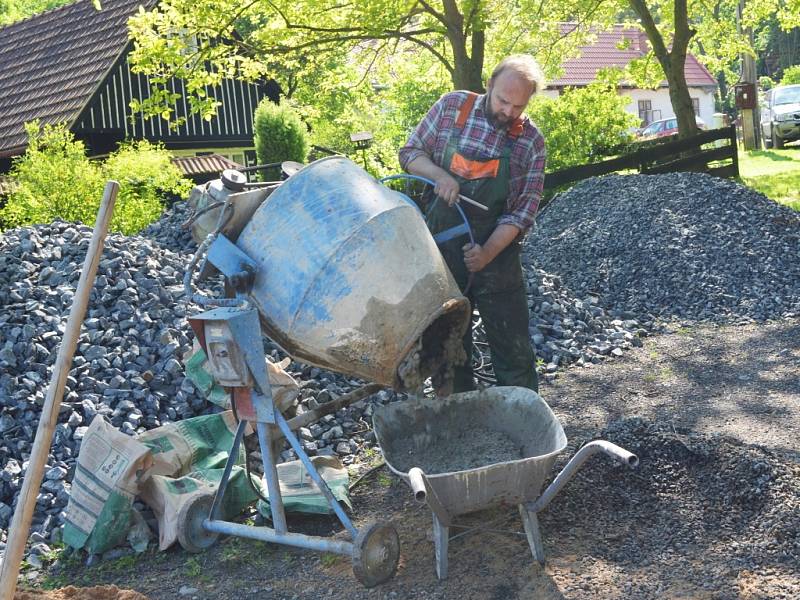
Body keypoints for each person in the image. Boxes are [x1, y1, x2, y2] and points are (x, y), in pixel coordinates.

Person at [398, 54, 546, 393]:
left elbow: (522, 212)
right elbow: (410, 153)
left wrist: (488, 253)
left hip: (498, 254)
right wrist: (439, 176)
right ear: (490, 85)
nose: (508, 112)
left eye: (518, 107)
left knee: (514, 352)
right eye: (503, 101)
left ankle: (524, 426)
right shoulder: (452, 109)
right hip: (444, 254)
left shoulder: (531, 143)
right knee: (450, 351)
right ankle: (463, 425)